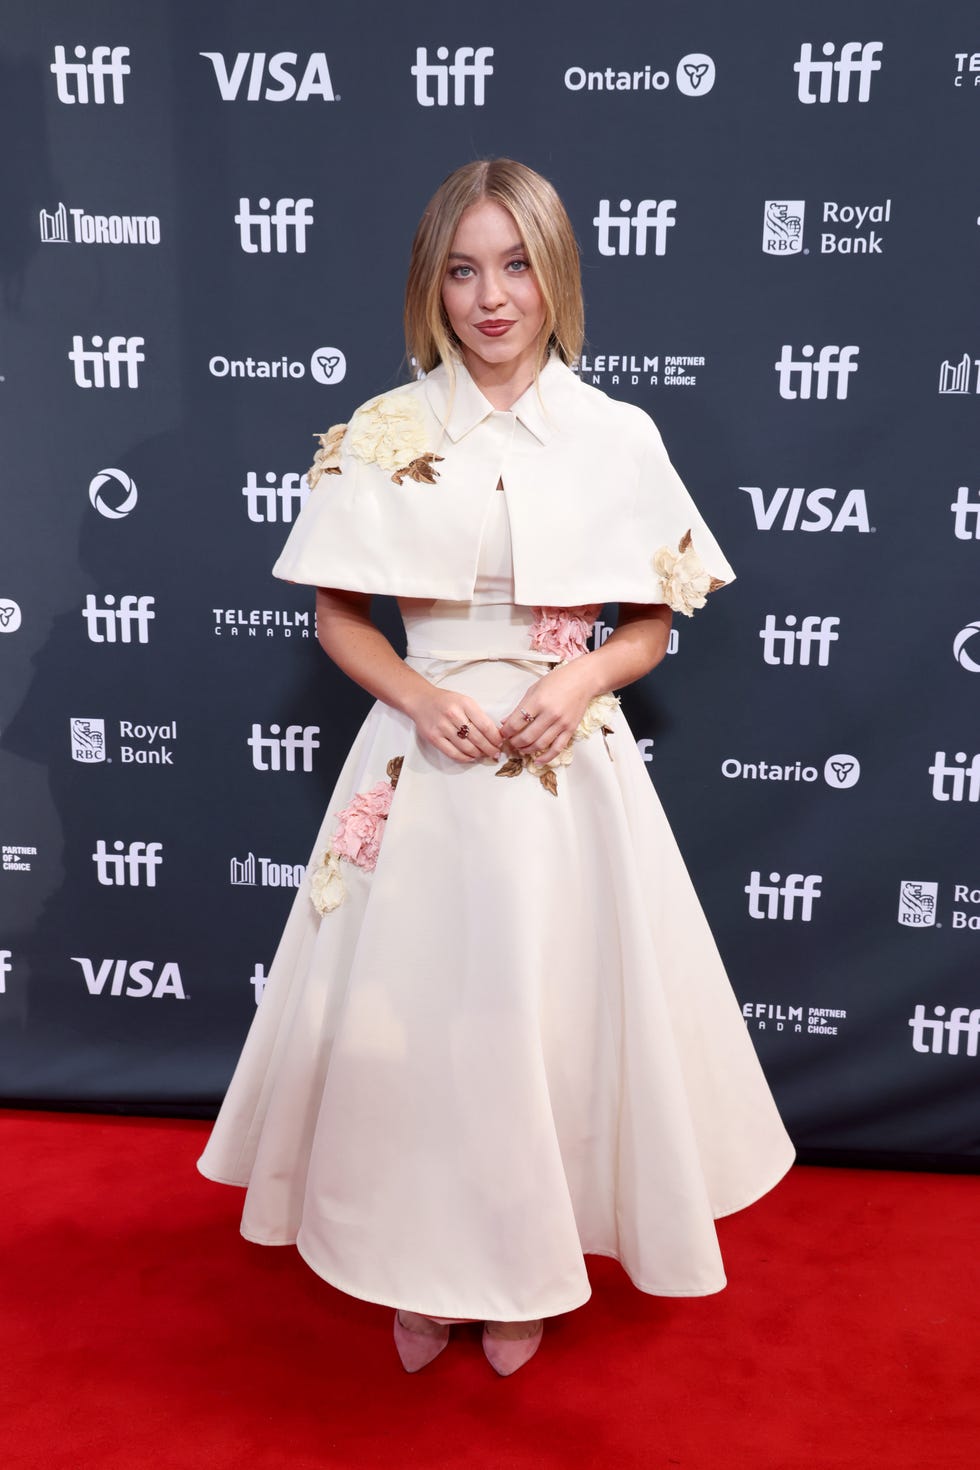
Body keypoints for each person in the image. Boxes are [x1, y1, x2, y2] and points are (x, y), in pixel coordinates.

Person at [197, 158, 795, 1376]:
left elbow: (647, 624)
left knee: (546, 1027)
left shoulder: (616, 434)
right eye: (463, 269)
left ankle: (524, 1268)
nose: (491, 296)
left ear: (554, 273)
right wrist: (420, 697)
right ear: (433, 283)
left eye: (515, 265)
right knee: (417, 1030)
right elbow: (341, 617)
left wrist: (571, 685)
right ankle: (422, 1267)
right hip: (421, 771)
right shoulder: (386, 429)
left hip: (565, 776)